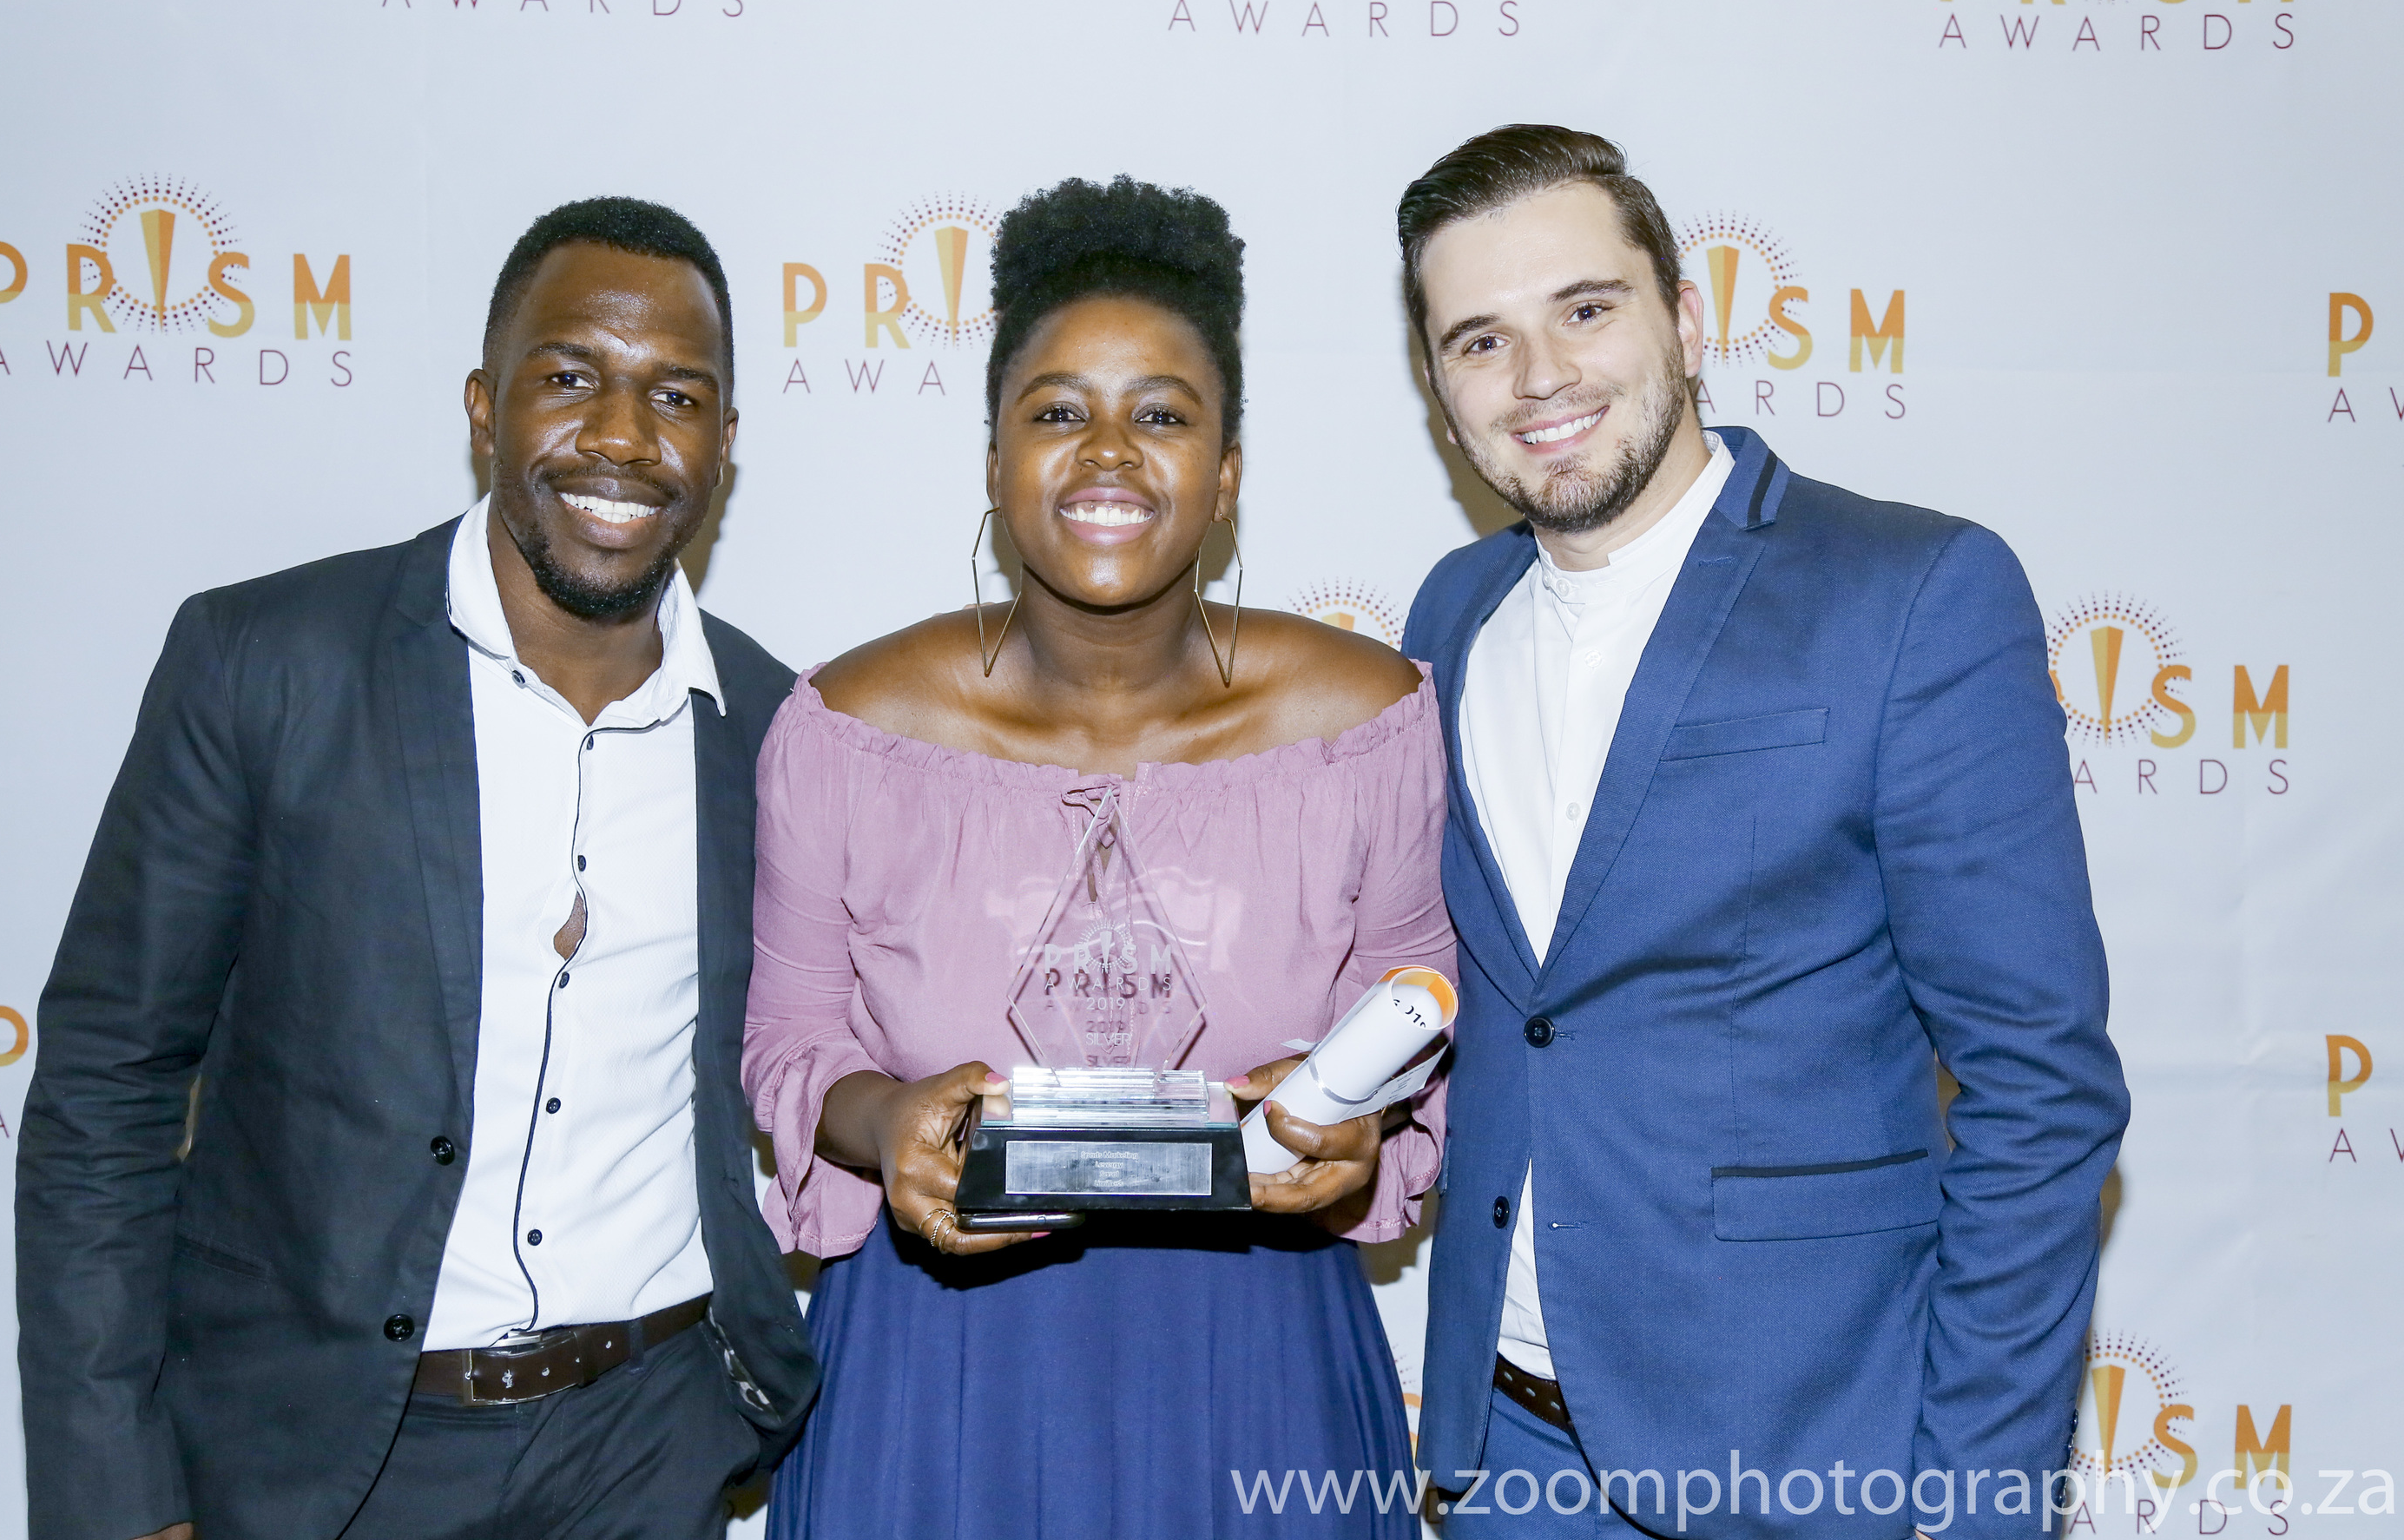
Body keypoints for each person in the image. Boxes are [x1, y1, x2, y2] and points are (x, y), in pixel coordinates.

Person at [15, 198, 816, 1540]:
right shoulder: (269, 664)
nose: (622, 435)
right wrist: (115, 1494)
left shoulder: (777, 732)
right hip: (321, 1460)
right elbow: (108, 1086)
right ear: (484, 407)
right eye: (570, 379)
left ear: (723, 442)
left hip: (646, 1453)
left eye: (676, 396)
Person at [1394, 127, 2130, 1537]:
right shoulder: (1452, 614)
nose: (1539, 376)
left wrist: (1976, 1503)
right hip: (1507, 1460)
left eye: (1586, 309)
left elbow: (2040, 1087)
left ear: (1685, 318)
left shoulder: (1910, 594)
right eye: (1480, 340)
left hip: (1812, 1457)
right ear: (1440, 390)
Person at [743, 174, 1452, 1538]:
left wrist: (1358, 1128)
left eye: (1163, 415)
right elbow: (787, 1039)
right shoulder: (844, 729)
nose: (1110, 453)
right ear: (994, 458)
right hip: (937, 1372)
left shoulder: (1369, 726)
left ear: (1228, 472)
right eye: (1059, 411)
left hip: (1261, 1362)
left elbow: (1421, 1017)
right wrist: (884, 1124)